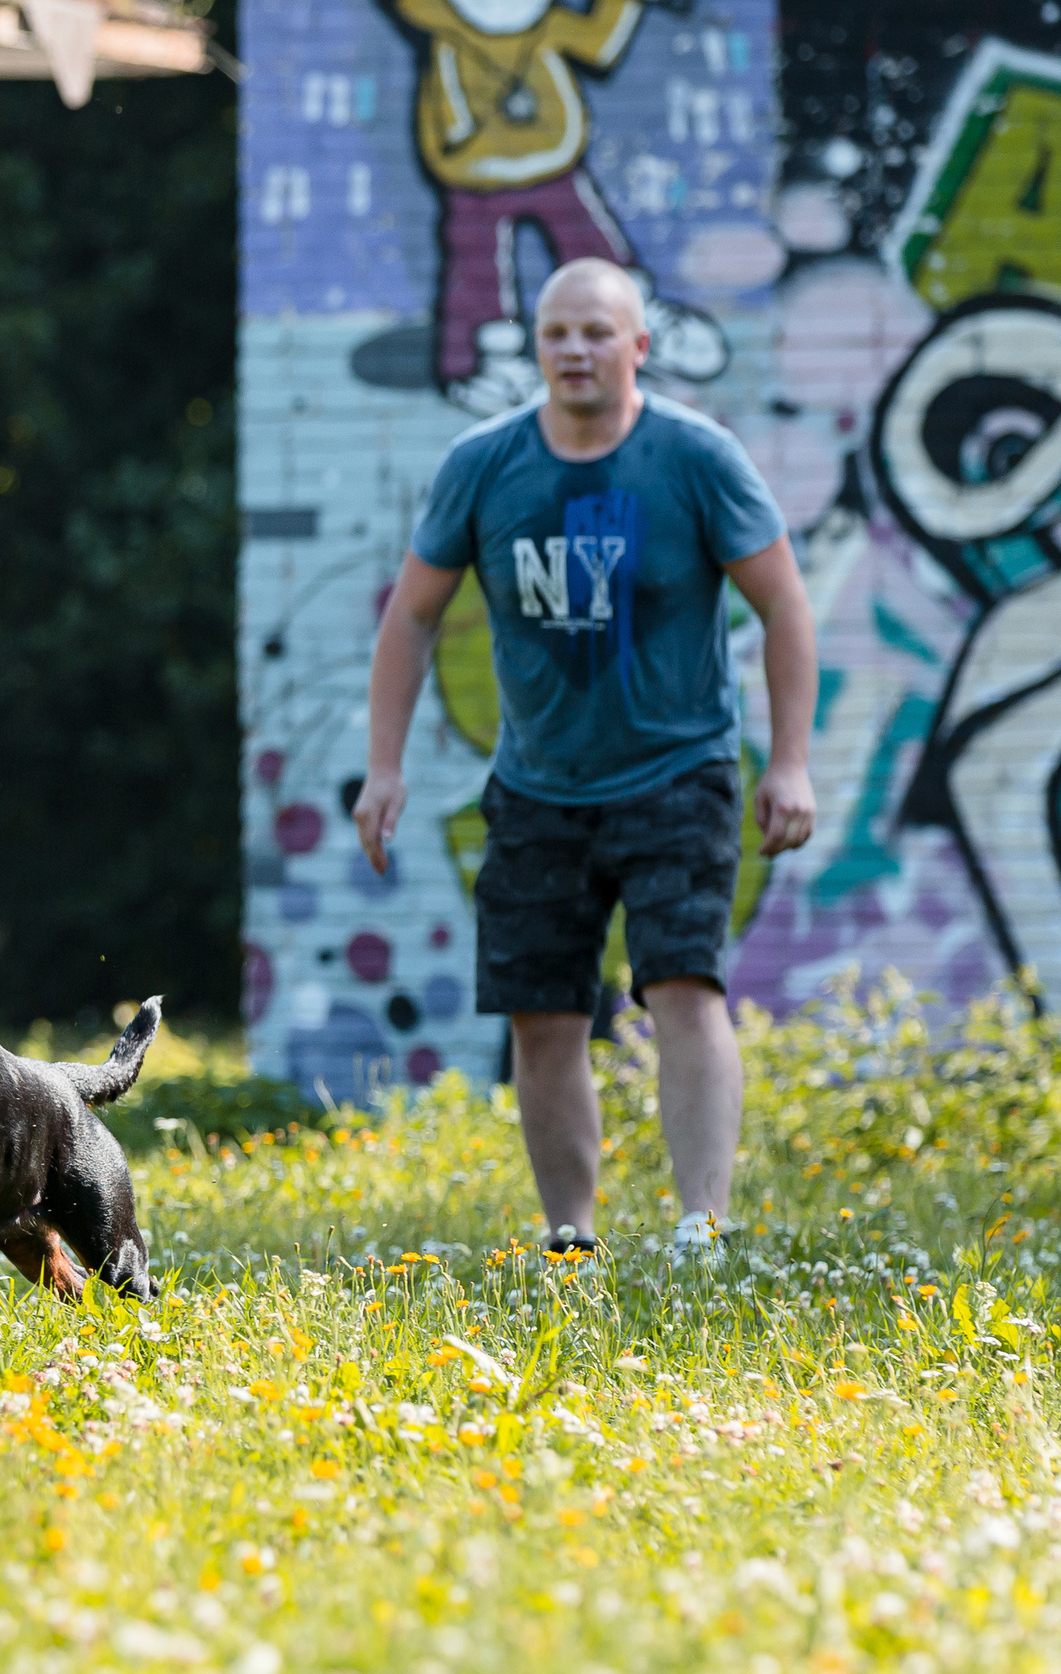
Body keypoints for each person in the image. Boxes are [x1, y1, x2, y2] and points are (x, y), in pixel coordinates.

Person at [351, 257, 817, 1255]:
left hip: (678, 771)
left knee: (681, 988)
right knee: (542, 1014)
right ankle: (569, 1238)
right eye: (557, 332)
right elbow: (412, 617)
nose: (573, 349)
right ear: (537, 347)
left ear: (637, 347)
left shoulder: (695, 458)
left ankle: (700, 1227)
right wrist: (383, 767)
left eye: (596, 332)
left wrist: (788, 763)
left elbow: (782, 603)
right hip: (535, 788)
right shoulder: (484, 464)